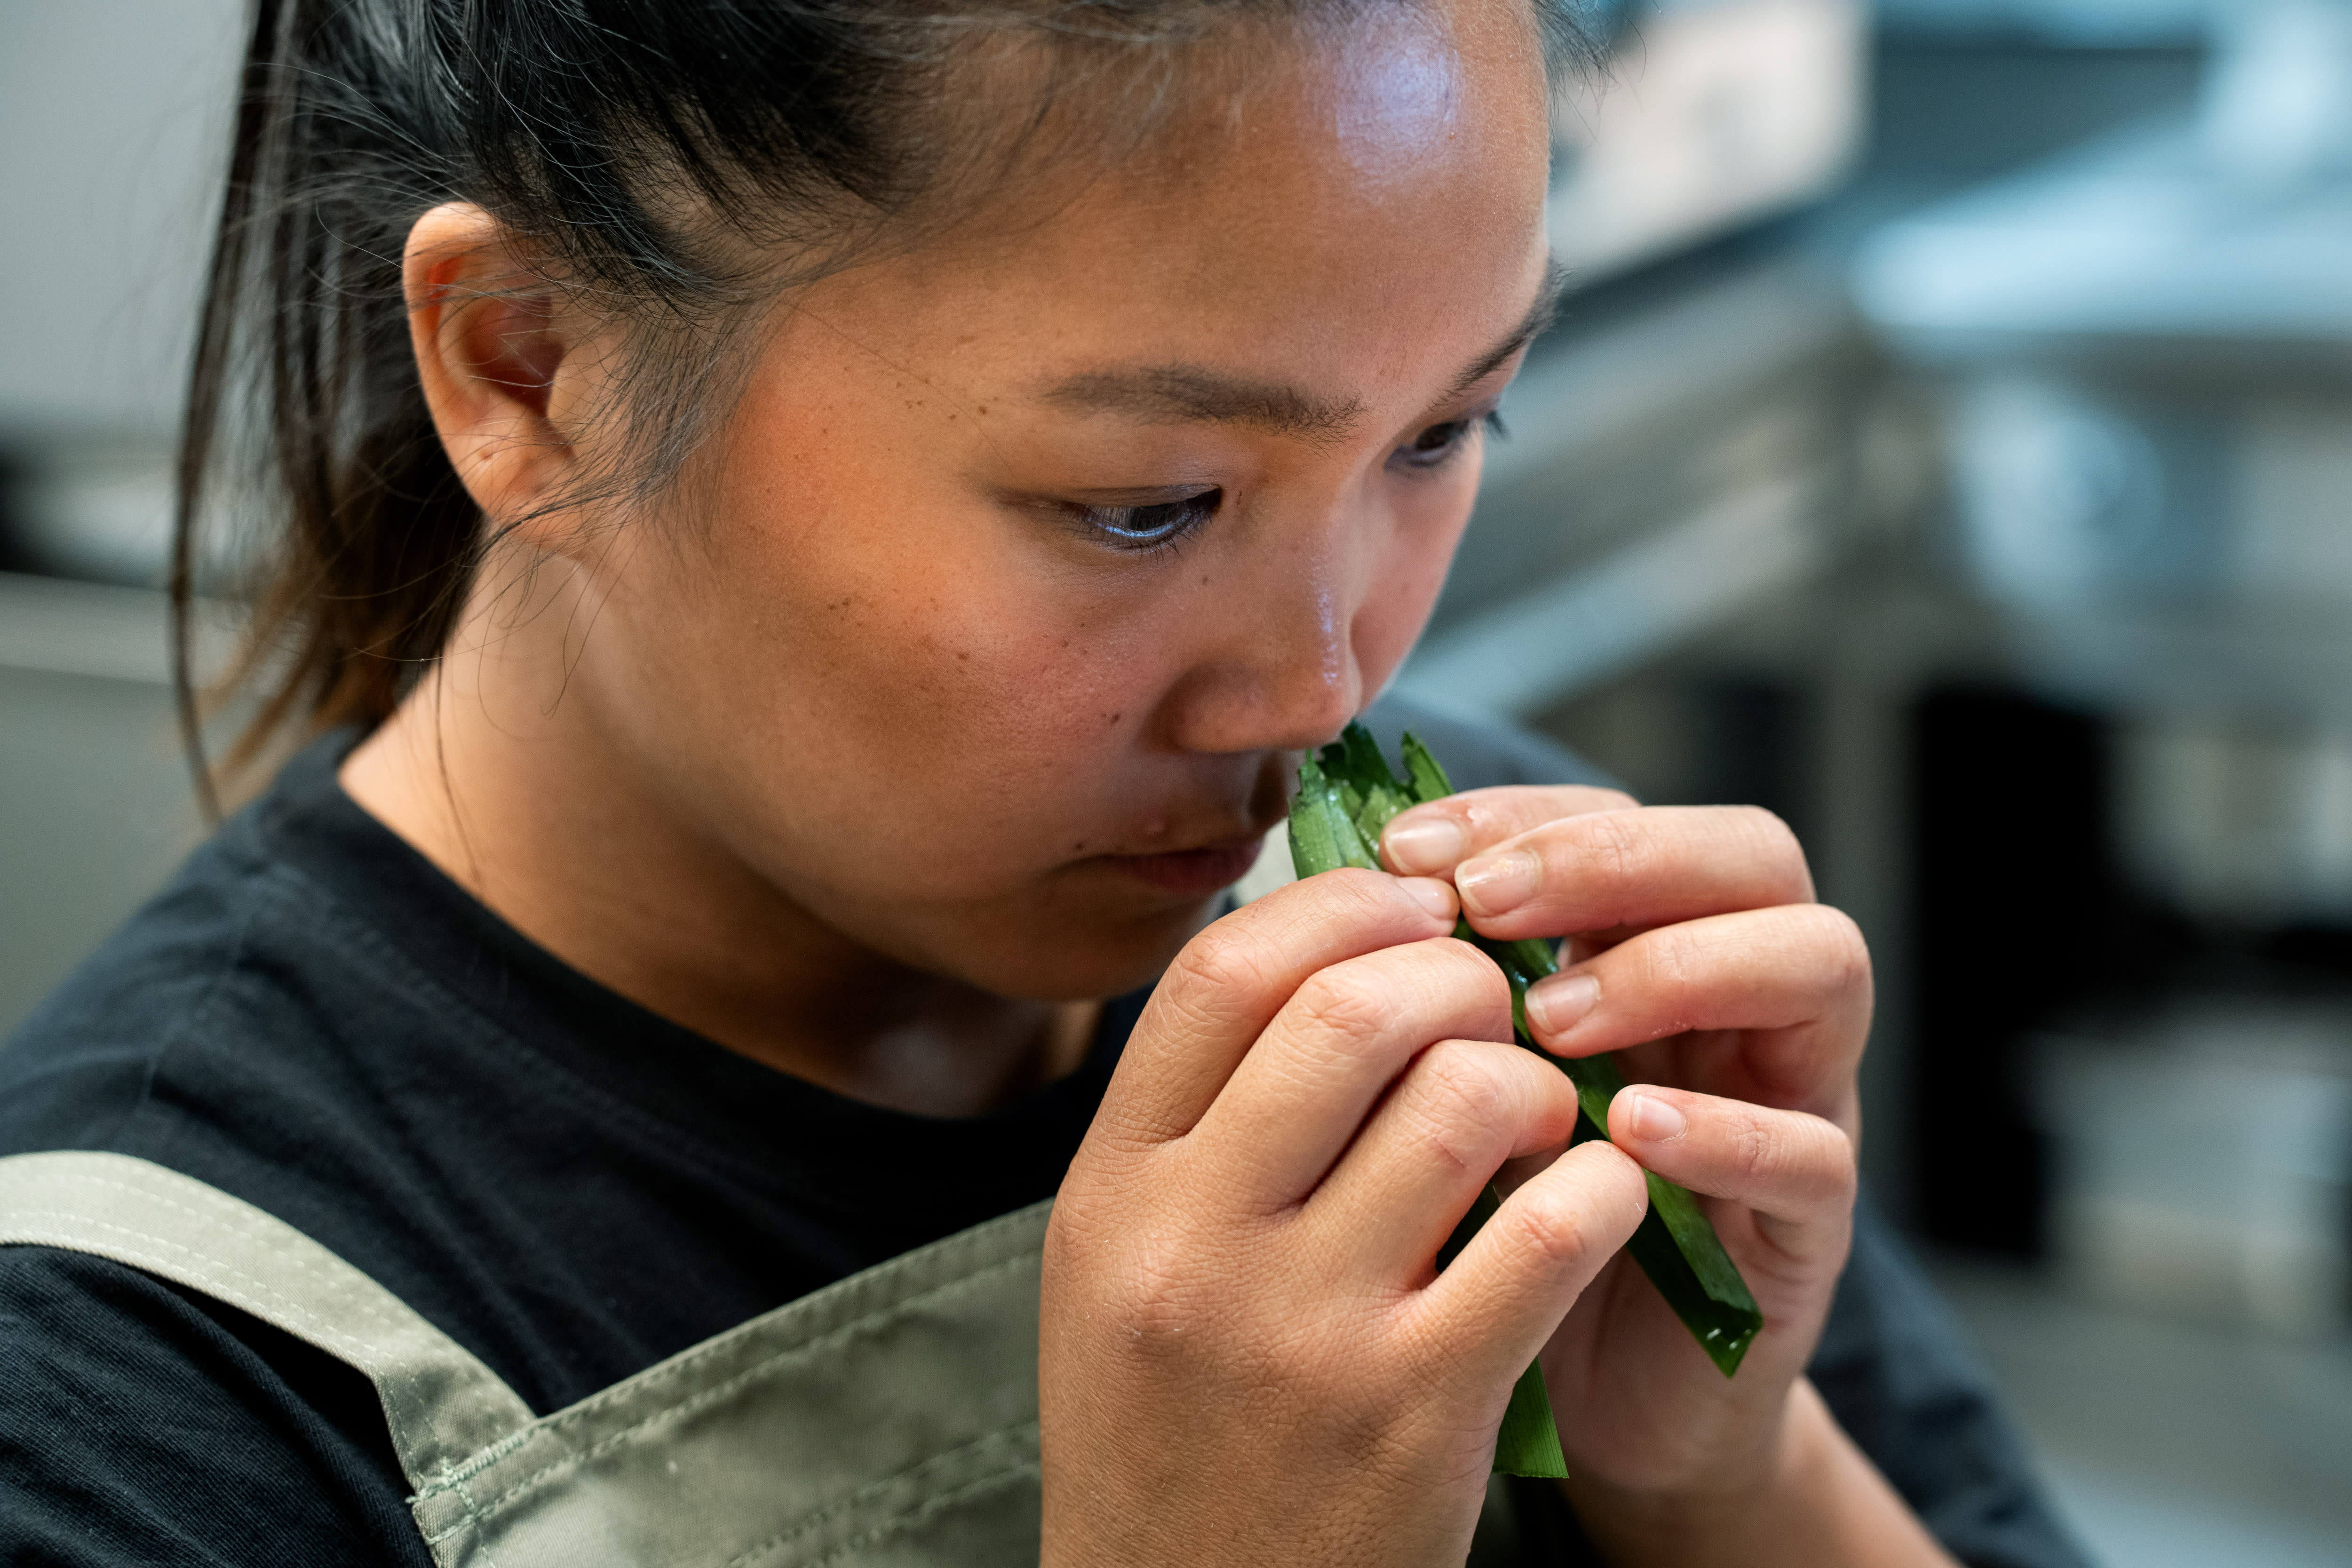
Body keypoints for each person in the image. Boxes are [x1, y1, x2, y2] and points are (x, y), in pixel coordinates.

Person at [0, 1, 2089, 1564]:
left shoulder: (1518, 939)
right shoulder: (125, 1405)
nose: (1324, 676)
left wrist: (1720, 1476)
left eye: (1448, 431)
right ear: (528, 367)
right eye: (1144, 503)